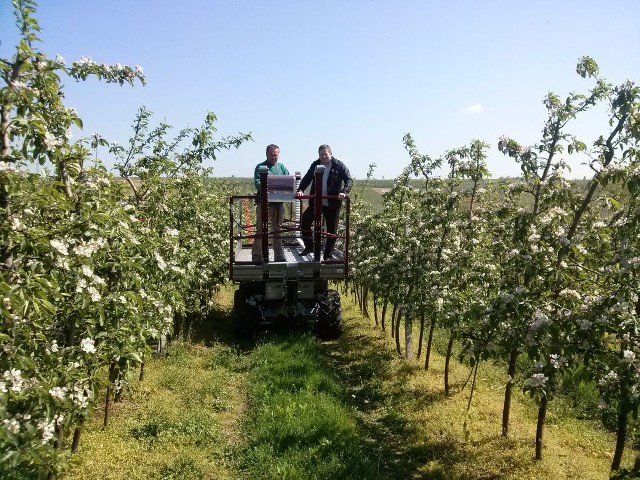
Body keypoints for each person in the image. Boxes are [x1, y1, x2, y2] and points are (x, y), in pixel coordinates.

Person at [295, 144, 352, 260]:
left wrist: (344, 192)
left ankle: (327, 256)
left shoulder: (339, 165)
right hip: (317, 202)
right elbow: (307, 178)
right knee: (305, 221)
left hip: (333, 204)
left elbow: (349, 180)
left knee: (332, 231)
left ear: (330, 153)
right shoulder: (316, 164)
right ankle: (309, 246)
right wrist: (300, 189)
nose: (323, 156)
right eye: (321, 155)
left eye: (325, 154)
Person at [252, 144, 289, 262]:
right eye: (272, 155)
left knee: (277, 230)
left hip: (278, 204)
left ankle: (279, 256)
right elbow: (258, 184)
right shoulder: (260, 167)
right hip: (264, 204)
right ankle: (257, 256)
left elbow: (288, 181)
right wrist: (275, 186)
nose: (274, 157)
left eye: (276, 155)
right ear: (266, 154)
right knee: (260, 229)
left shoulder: (282, 167)